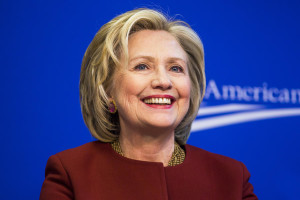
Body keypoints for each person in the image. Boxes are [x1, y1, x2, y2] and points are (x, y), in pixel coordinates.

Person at [40, 8, 257, 200]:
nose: (163, 81)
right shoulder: (70, 172)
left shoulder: (232, 177)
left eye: (175, 68)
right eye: (142, 66)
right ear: (107, 90)